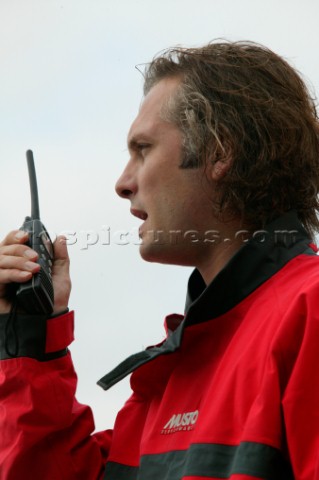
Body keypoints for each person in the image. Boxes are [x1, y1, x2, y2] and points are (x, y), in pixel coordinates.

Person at [0, 40, 319, 480]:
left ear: (219, 151)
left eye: (143, 148)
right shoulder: (169, 375)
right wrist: (30, 340)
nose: (123, 183)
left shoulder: (310, 309)